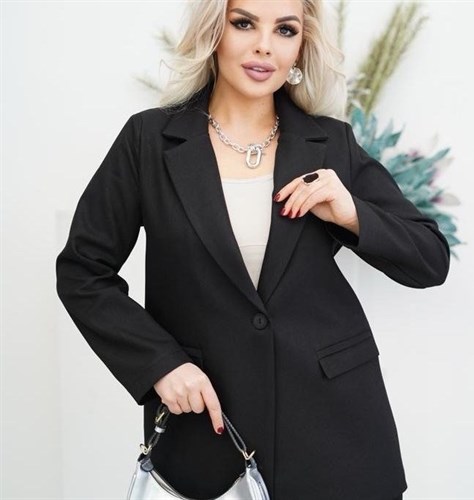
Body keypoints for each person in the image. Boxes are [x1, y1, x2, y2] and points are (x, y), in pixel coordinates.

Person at [55, 1, 450, 499]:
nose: (265, 45)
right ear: (213, 33)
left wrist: (351, 212)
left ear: (300, 48)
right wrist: (160, 364)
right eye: (244, 23)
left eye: (285, 30)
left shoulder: (331, 144)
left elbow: (429, 259)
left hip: (337, 430)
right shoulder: (148, 141)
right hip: (208, 427)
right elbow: (83, 271)